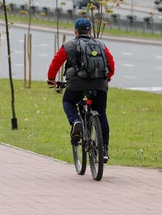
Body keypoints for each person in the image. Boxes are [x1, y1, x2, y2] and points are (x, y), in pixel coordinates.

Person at [47, 18, 115, 163]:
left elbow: (56, 62)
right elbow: (111, 63)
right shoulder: (100, 45)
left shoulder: (69, 45)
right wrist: (107, 77)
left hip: (76, 84)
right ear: (90, 31)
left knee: (68, 101)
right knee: (101, 114)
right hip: (99, 84)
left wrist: (51, 78)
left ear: (75, 31)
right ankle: (104, 150)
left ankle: (76, 121)